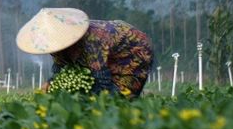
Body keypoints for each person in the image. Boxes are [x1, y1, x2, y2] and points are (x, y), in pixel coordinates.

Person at [16, 8, 153, 98]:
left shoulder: (91, 42)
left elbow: (102, 81)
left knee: (119, 97)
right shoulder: (57, 46)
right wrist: (49, 85)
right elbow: (59, 71)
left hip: (134, 51)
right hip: (108, 54)